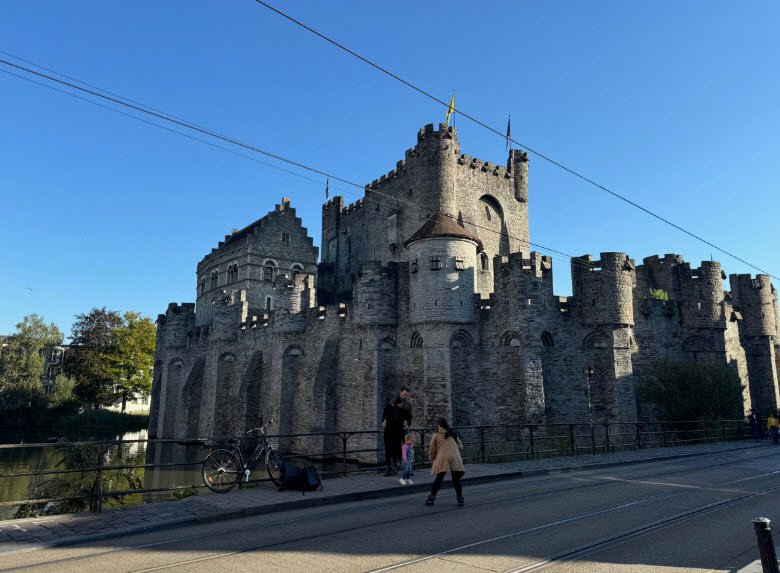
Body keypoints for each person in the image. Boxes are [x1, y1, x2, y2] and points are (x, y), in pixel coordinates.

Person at [425, 418, 465, 507]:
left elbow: (432, 450)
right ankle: (460, 500)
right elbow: (461, 446)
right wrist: (453, 449)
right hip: (455, 457)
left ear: (439, 425)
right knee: (456, 480)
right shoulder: (453, 433)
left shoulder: (436, 435)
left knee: (439, 479)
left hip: (443, 457)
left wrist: (432, 459)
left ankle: (431, 498)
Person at [382, 397, 405, 476]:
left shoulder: (398, 410)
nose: (400, 407)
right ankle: (390, 468)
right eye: (399, 405)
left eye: (401, 405)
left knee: (394, 451)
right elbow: (384, 419)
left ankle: (392, 467)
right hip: (390, 433)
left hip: (395, 434)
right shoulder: (389, 408)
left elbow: (401, 424)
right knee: (389, 451)